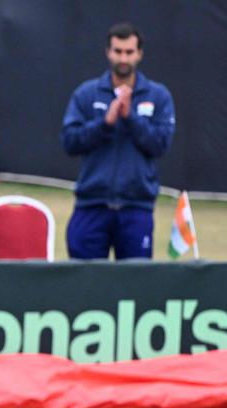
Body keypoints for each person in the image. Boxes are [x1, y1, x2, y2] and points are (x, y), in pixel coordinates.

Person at [61, 22, 175, 260]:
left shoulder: (157, 95)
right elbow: (70, 142)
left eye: (129, 52)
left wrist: (130, 117)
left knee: (134, 286)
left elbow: (160, 143)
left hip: (136, 208)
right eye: (118, 51)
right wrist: (105, 122)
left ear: (139, 54)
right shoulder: (87, 93)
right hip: (92, 205)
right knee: (85, 284)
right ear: (108, 52)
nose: (123, 58)